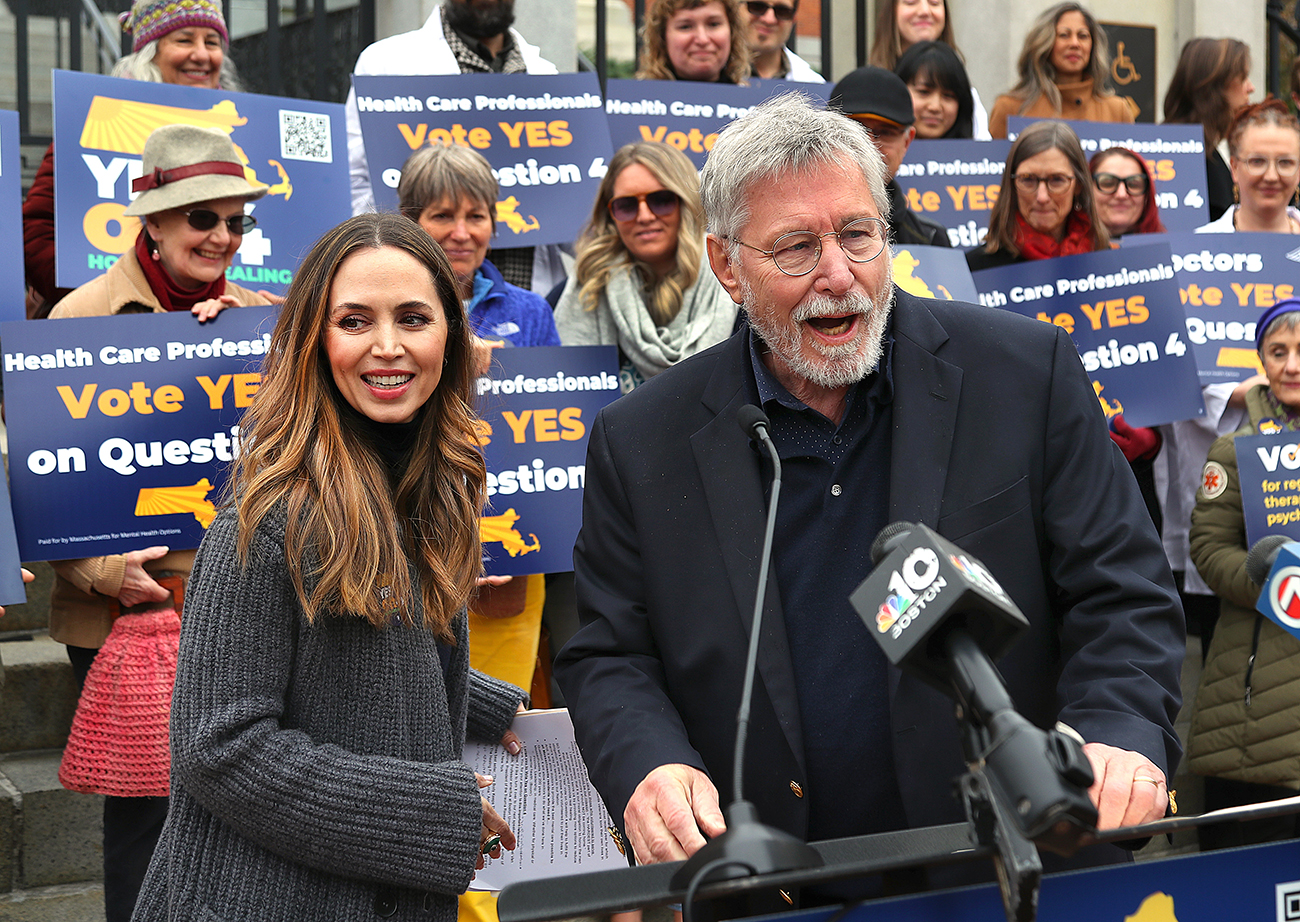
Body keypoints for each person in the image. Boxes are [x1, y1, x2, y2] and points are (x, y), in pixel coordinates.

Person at [554, 93, 1183, 898]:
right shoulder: (641, 440)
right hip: (774, 886)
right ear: (725, 265)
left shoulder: (1027, 376)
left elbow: (1123, 594)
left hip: (1009, 873)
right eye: (795, 248)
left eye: (857, 234)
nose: (839, 275)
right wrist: (651, 764)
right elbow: (611, 652)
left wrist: (1117, 732)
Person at [131, 212, 528, 921]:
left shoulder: (420, 489)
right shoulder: (266, 518)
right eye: (354, 321)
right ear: (315, 340)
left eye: (413, 317)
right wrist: (429, 815)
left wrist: (499, 710)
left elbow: (369, 639)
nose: (387, 346)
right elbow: (219, 746)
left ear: (450, 336)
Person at [46, 124, 270, 922]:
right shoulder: (81, 317)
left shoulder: (256, 319)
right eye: (202, 218)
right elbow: (45, 478)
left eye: (235, 221)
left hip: (236, 603)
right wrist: (112, 573)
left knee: (237, 804)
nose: (221, 236)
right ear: (154, 223)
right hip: (123, 615)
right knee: (145, 815)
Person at [21, 0, 240, 316]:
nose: (202, 54)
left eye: (212, 42)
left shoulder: (240, 129)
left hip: (218, 324)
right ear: (151, 53)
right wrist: (110, 299)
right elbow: (38, 230)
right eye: (184, 40)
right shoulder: (98, 121)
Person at [345, 1, 562, 295]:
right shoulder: (387, 63)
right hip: (421, 281)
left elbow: (569, 198)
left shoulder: (545, 74)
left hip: (524, 283)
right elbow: (354, 181)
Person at [1187, 299, 1300, 850]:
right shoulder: (1234, 449)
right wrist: (1273, 578)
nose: (1292, 365)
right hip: (1252, 687)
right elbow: (1208, 548)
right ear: (1261, 361)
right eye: (1278, 352)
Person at [554, 142, 736, 393]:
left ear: (687, 204)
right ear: (610, 215)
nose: (644, 216)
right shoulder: (582, 288)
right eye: (627, 205)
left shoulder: (735, 286)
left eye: (660, 200)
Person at [830, 66, 950, 247]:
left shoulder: (931, 240)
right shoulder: (790, 228)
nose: (868, 145)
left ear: (907, 142)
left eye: (884, 133)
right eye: (855, 129)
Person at [965, 120, 1108, 270]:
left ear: (1078, 185)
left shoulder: (1105, 261)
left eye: (1057, 180)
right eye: (1027, 179)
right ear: (1012, 185)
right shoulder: (975, 269)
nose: (1042, 197)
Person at [988, 2, 1135, 140]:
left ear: (1093, 45)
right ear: (1044, 42)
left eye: (1082, 36)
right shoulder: (1010, 107)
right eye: (1064, 35)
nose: (1074, 44)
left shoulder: (1117, 110)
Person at [1162, 38, 1254, 224]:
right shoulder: (1175, 152)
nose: (1250, 88)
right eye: (1243, 78)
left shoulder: (1219, 144)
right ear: (1216, 86)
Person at [868, 0, 989, 139]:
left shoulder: (971, 100)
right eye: (911, 2)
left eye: (934, 2)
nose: (925, 11)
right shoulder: (866, 92)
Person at [1195, 100, 1300, 234]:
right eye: (1257, 161)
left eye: (1285, 163)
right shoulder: (1198, 245)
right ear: (1234, 168)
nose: (1271, 176)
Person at [637, 0, 750, 84]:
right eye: (685, 27)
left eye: (713, 24)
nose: (702, 39)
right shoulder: (635, 104)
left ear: (732, 32)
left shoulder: (755, 106)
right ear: (662, 37)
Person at [894, 41, 975, 140]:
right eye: (923, 92)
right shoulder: (877, 152)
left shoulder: (977, 154)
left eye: (948, 96)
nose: (935, 107)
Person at [1089, 147, 1166, 237]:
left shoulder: (1165, 248)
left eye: (1134, 185)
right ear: (1088, 190)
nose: (1121, 194)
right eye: (1108, 183)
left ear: (1146, 196)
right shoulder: (1070, 250)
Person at [739, 0, 822, 82]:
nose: (769, 20)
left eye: (782, 11)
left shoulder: (815, 84)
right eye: (757, 7)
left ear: (793, 20)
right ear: (735, 8)